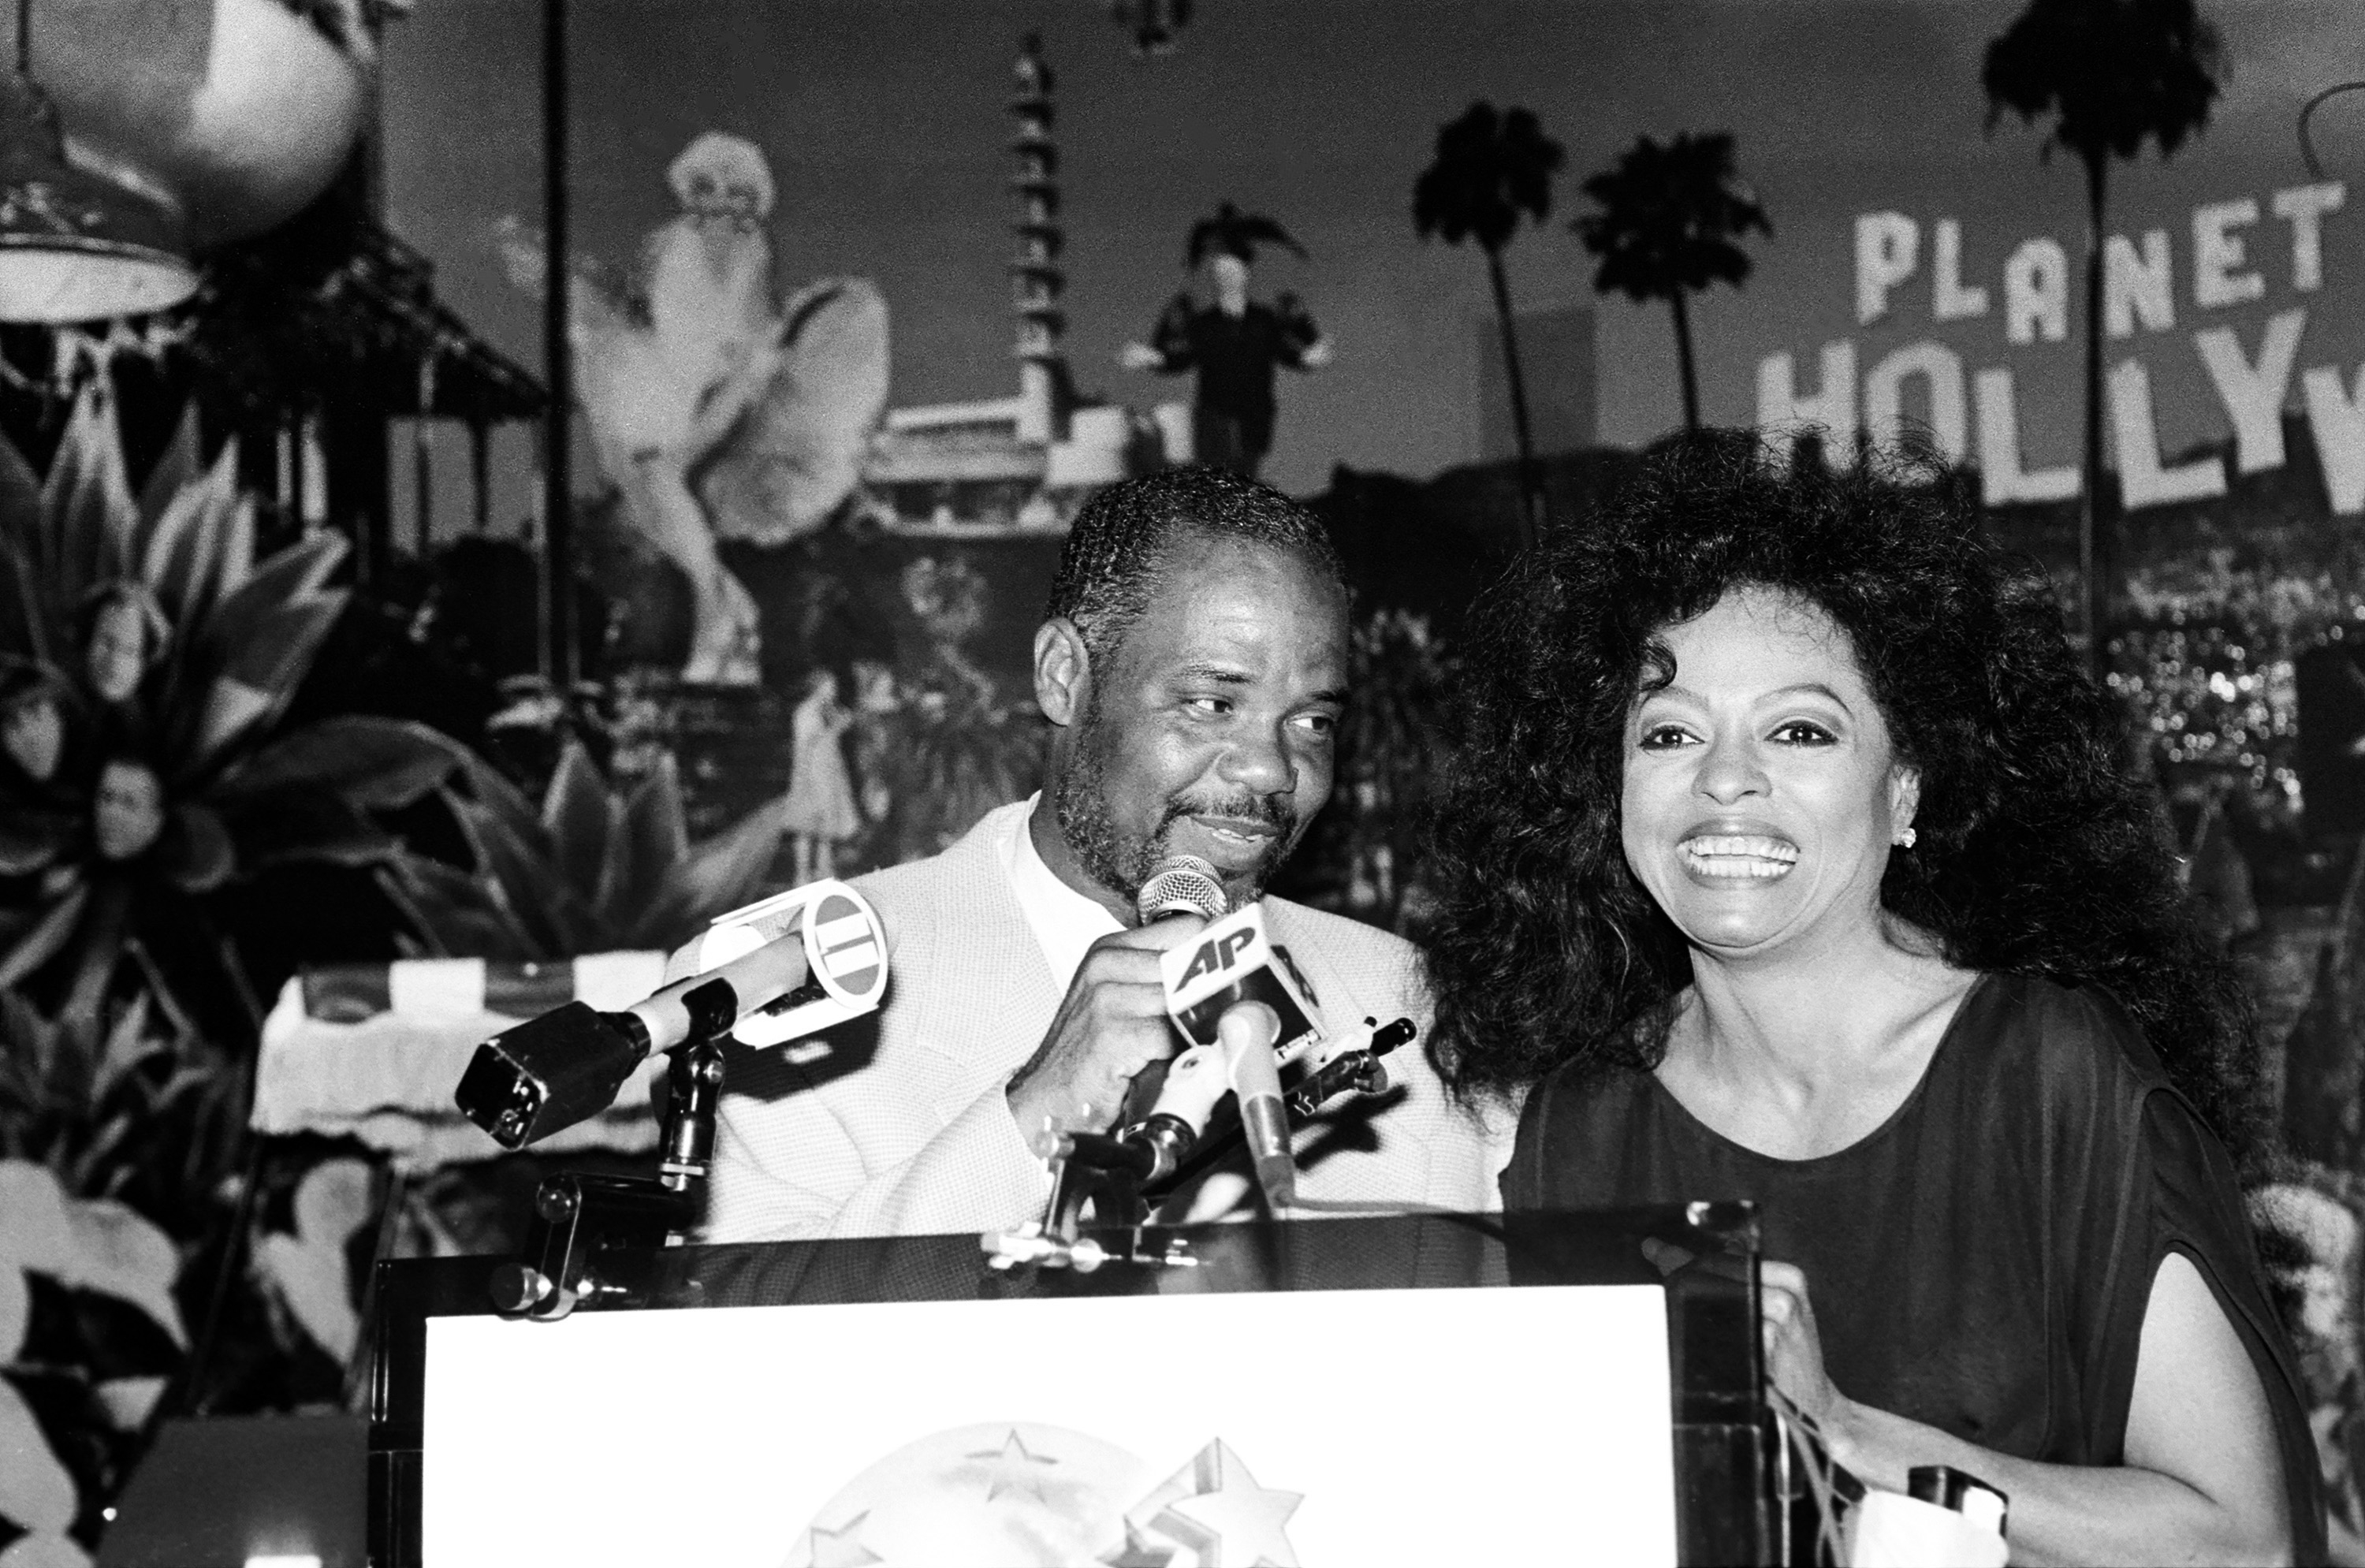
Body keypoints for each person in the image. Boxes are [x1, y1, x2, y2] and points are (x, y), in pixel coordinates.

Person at [1422, 434, 2324, 1562]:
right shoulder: (1583, 1127)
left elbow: (2242, 1543)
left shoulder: (2048, 1077)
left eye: (1799, 730)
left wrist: (1848, 1434)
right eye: (1670, 732)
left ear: (1903, 792)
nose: (1725, 776)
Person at [706, 466, 1501, 1242]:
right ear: (1064, 677)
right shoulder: (790, 988)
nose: (1271, 770)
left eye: (1312, 722)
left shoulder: (1418, 1013)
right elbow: (751, 1316)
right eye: (1212, 702)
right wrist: (1031, 1114)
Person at [1122, 203, 1331, 478]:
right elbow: (1183, 357)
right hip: (1214, 415)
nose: (1227, 277)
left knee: (1245, 474)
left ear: (1246, 273)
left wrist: (1307, 358)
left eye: (1233, 270)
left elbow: (1286, 352)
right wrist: (1155, 357)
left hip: (1254, 415)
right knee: (1219, 476)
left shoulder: (1265, 321)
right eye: (1221, 271)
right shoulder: (1204, 324)